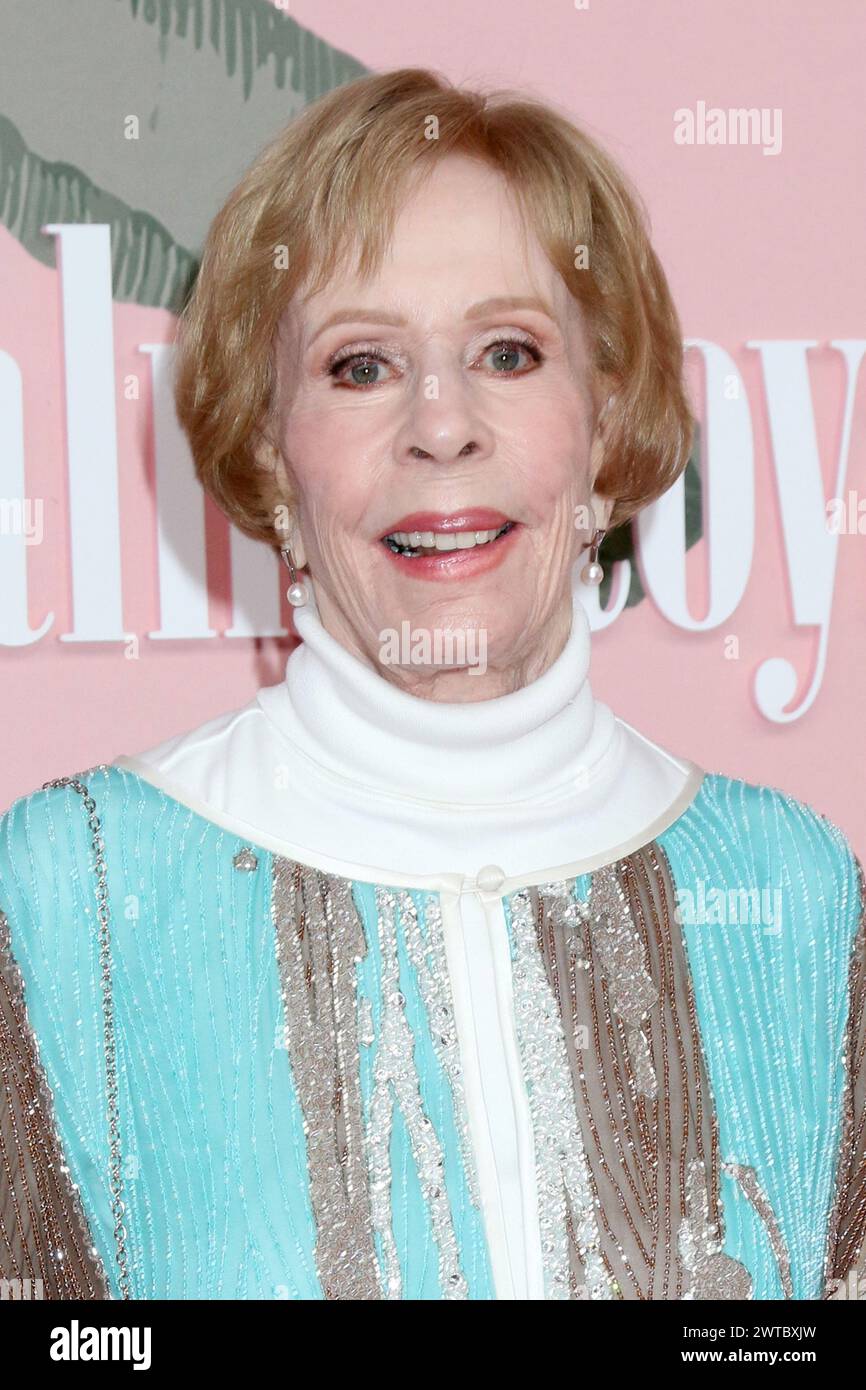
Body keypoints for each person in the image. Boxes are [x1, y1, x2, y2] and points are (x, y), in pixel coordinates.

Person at [1, 68, 863, 1302]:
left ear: (605, 426)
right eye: (361, 366)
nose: (441, 424)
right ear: (266, 450)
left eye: (507, 352)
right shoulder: (68, 895)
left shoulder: (794, 891)